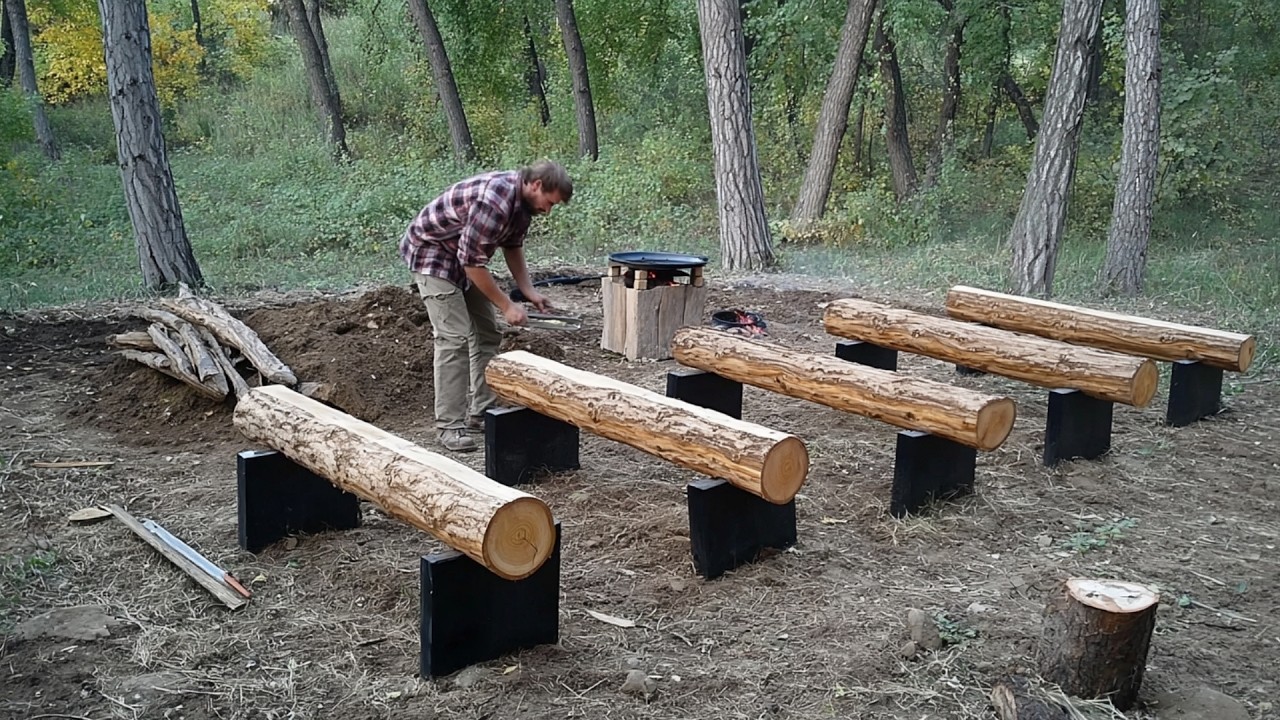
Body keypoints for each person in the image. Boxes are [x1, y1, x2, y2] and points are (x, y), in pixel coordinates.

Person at [399, 160, 573, 452]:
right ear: (537, 185)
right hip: (433, 254)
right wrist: (506, 305)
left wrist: (528, 291)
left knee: (487, 334)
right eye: (549, 202)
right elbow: (472, 263)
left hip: (464, 257)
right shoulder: (496, 200)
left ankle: (481, 413)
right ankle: (450, 427)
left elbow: (512, 246)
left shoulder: (524, 205)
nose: (548, 210)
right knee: (453, 337)